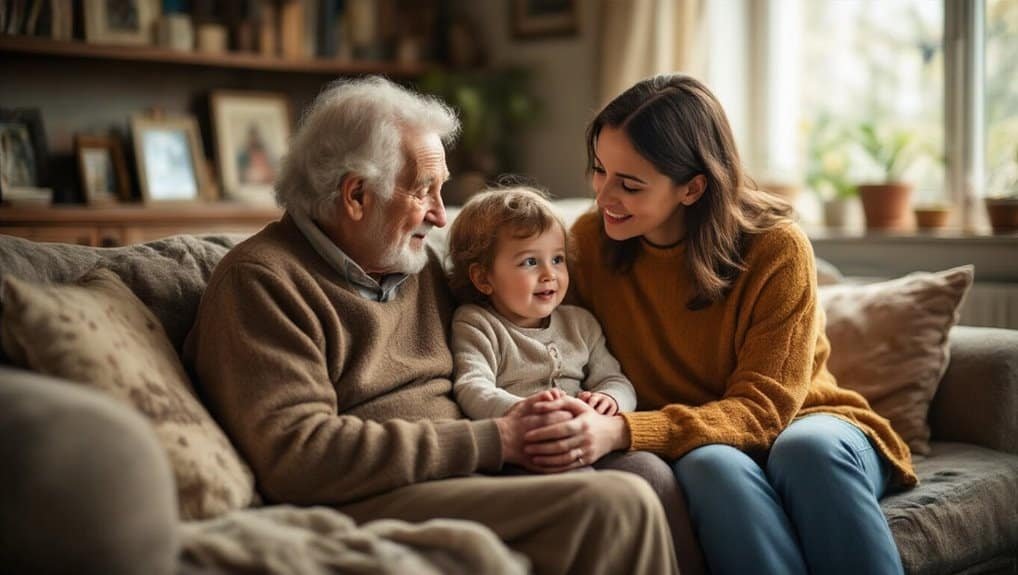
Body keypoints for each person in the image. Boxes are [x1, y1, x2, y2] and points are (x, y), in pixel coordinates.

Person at [183, 76, 677, 575]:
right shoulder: (263, 283)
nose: (441, 217)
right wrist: (499, 439)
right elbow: (298, 455)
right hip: (369, 494)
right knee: (616, 505)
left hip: (463, 471)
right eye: (425, 192)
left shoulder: (410, 262)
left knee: (644, 475)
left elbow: (516, 313)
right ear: (357, 195)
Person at [519, 74, 918, 575]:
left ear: (693, 187)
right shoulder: (587, 244)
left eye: (629, 184)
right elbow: (555, 346)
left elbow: (764, 410)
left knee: (805, 451)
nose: (603, 196)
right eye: (599, 170)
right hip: (702, 443)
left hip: (807, 423)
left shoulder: (777, 247)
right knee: (709, 463)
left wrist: (621, 430)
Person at [447, 186, 637, 421]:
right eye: (529, 261)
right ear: (484, 278)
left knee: (645, 461)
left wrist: (610, 399)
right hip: (527, 440)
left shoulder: (581, 323)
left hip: (590, 433)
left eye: (557, 259)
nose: (550, 274)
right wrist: (525, 410)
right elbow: (472, 388)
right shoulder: (477, 324)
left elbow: (615, 380)